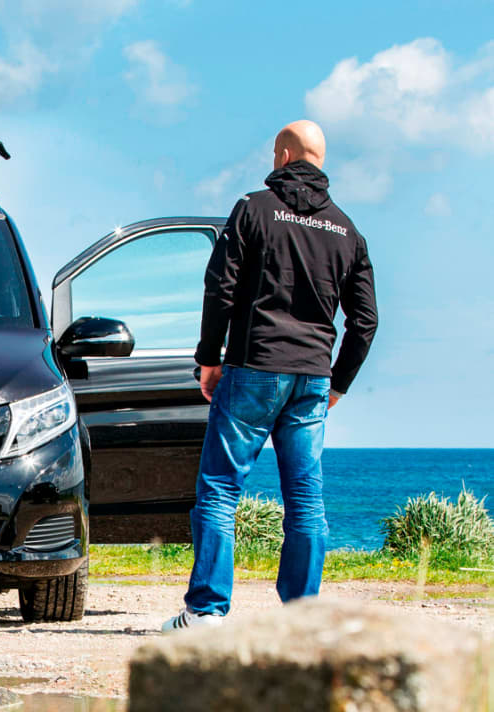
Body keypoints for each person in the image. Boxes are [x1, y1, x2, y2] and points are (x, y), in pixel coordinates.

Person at [162, 120, 378, 632]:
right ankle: (302, 620)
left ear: (282, 157)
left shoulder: (253, 209)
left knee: (220, 489)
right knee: (305, 497)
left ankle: (207, 613)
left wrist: (207, 357)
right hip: (311, 378)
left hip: (254, 367)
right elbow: (365, 321)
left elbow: (221, 287)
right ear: (320, 161)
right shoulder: (348, 231)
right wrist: (339, 382)